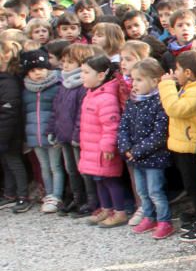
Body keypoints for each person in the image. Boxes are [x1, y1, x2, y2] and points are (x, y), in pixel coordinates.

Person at [158, 49, 196, 241]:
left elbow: (175, 109)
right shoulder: (189, 89)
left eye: (178, 69)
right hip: (183, 146)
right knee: (191, 187)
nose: (174, 73)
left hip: (192, 148)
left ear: (188, 73)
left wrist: (165, 86)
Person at [118, 57, 173, 239]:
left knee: (155, 191)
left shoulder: (159, 102)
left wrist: (137, 151)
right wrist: (125, 146)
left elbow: (160, 134)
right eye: (133, 79)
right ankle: (149, 217)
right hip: (135, 157)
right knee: (142, 191)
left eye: (139, 79)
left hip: (154, 158)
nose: (135, 84)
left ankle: (164, 220)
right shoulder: (132, 100)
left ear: (155, 81)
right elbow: (124, 125)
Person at [79, 54, 128, 227]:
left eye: (86, 72)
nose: (82, 76)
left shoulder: (106, 98)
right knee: (99, 179)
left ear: (100, 75)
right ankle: (106, 208)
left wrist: (108, 146)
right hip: (92, 147)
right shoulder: (91, 94)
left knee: (110, 180)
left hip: (103, 149)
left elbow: (111, 125)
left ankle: (120, 211)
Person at [51, 43, 95, 217]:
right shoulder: (63, 84)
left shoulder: (82, 87)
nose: (66, 65)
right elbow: (56, 110)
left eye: (70, 62)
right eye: (64, 61)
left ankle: (91, 201)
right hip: (64, 135)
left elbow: (81, 115)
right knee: (71, 169)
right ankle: (78, 198)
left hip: (77, 137)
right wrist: (52, 130)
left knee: (83, 169)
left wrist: (77, 135)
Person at [20, 48, 63, 213]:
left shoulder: (56, 86)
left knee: (56, 166)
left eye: (41, 69)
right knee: (44, 166)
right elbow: (24, 114)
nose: (37, 73)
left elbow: (59, 112)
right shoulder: (26, 91)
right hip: (34, 136)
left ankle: (56, 196)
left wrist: (56, 131)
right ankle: (49, 193)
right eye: (33, 70)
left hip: (52, 135)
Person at [0, 39, 28, 212]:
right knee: (6, 162)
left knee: (14, 161)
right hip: (4, 130)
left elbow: (9, 110)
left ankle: (23, 195)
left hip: (10, 131)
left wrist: (3, 136)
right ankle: (10, 194)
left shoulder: (8, 81)